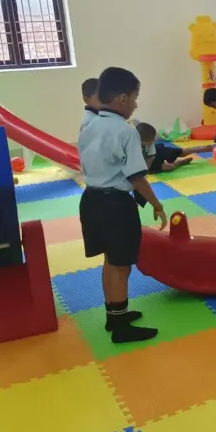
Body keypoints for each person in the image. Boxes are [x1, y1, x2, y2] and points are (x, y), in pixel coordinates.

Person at [78, 67, 166, 344]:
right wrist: (157, 204)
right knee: (121, 265)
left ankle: (114, 315)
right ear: (122, 99)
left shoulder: (88, 126)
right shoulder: (126, 132)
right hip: (115, 205)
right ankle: (120, 329)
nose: (136, 104)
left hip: (91, 200)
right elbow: (137, 177)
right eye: (136, 98)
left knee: (110, 261)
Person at [136, 122, 208, 174]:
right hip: (146, 163)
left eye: (152, 140)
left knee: (175, 152)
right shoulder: (132, 146)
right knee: (169, 168)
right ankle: (179, 163)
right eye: (151, 140)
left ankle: (198, 149)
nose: (152, 141)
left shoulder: (150, 144)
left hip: (155, 151)